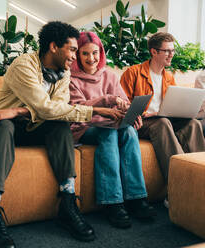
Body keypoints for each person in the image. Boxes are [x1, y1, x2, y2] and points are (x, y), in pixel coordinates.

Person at [0, 21, 122, 247]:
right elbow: (46, 107)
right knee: (4, 124)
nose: (74, 56)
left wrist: (19, 110)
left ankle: (68, 204)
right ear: (53, 47)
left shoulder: (64, 72)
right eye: (72, 49)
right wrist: (95, 109)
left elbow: (56, 110)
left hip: (35, 125)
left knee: (60, 125)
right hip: (4, 128)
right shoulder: (23, 65)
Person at [69, 31, 156, 229]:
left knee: (129, 132)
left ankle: (135, 198)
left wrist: (131, 115)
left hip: (112, 124)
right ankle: (113, 202)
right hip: (84, 127)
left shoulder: (109, 74)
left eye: (95, 53)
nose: (91, 59)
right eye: (85, 54)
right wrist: (105, 100)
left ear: (101, 52)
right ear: (77, 55)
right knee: (107, 133)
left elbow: (123, 101)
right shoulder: (70, 78)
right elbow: (77, 109)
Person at [120, 32, 205, 199]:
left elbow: (174, 106)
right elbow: (123, 106)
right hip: (143, 123)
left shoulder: (169, 77)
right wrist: (147, 113)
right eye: (167, 51)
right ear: (154, 52)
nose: (171, 55)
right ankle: (179, 185)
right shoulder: (133, 73)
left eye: (173, 51)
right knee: (162, 122)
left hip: (164, 120)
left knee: (193, 124)